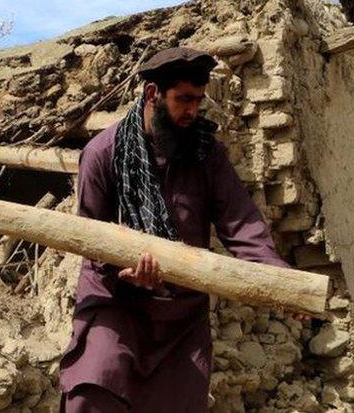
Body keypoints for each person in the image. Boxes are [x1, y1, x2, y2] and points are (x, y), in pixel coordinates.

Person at [59, 47, 292, 412]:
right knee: (94, 387)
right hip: (116, 299)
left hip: (180, 312)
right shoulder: (103, 153)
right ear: (153, 94)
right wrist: (127, 273)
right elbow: (91, 237)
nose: (192, 111)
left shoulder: (206, 154)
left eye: (198, 100)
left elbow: (241, 223)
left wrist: (280, 279)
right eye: (183, 99)